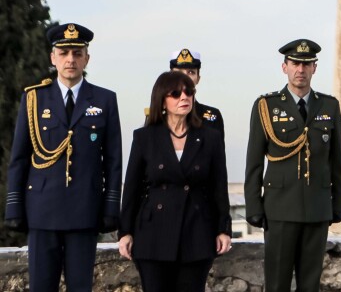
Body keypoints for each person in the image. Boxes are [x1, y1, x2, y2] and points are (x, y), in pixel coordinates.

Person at [5, 23, 122, 292]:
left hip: (84, 211)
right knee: (41, 287)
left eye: (77, 53)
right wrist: (14, 207)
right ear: (53, 57)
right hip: (42, 211)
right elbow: (20, 158)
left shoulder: (104, 100)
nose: (71, 59)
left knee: (81, 287)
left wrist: (110, 207)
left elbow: (113, 162)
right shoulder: (34, 99)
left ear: (86, 58)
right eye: (64, 52)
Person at [244, 38, 341, 292]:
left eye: (306, 64)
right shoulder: (266, 106)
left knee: (310, 285)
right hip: (279, 209)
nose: (300, 70)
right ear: (284, 67)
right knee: (277, 284)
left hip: (317, 208)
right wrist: (254, 206)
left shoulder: (329, 106)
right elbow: (254, 163)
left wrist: (338, 204)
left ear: (314, 67)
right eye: (295, 64)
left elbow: (337, 161)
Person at [117, 72, 231, 292]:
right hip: (153, 234)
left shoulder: (209, 138)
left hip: (196, 232)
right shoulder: (144, 137)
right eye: (176, 93)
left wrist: (223, 229)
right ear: (162, 100)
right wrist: (125, 232)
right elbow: (132, 188)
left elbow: (219, 186)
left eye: (189, 92)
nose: (184, 97)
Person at [169, 48, 224, 132]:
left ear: (198, 79)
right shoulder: (160, 115)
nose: (185, 77)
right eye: (179, 72)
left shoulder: (212, 117)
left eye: (191, 72)